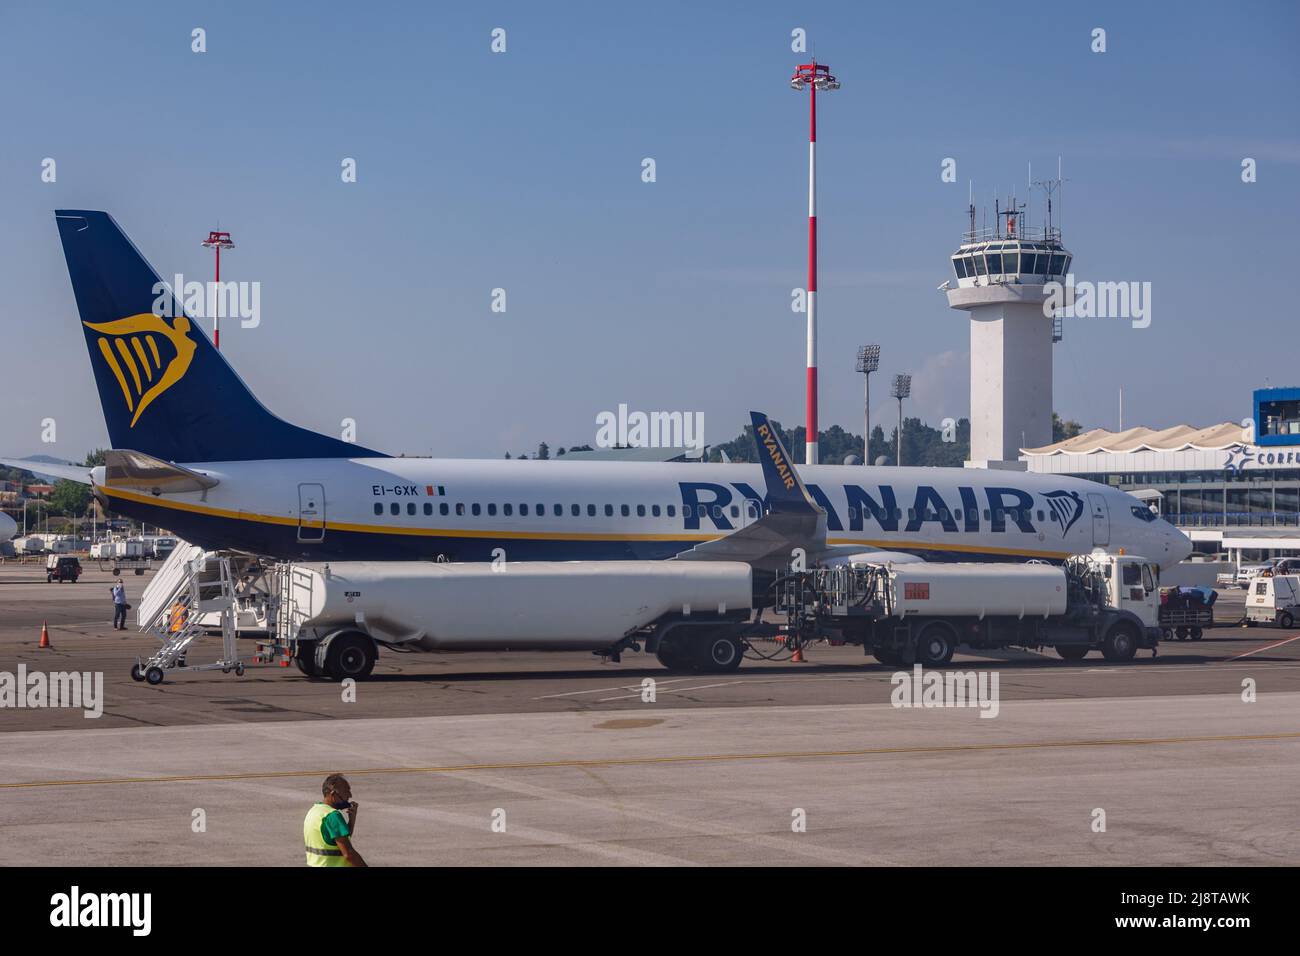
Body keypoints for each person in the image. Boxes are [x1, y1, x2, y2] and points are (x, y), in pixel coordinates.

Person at [304, 773, 367, 867]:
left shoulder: (314, 811)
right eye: (346, 791)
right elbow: (349, 854)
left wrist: (352, 820)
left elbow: (338, 842)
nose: (350, 795)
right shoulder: (332, 816)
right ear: (333, 794)